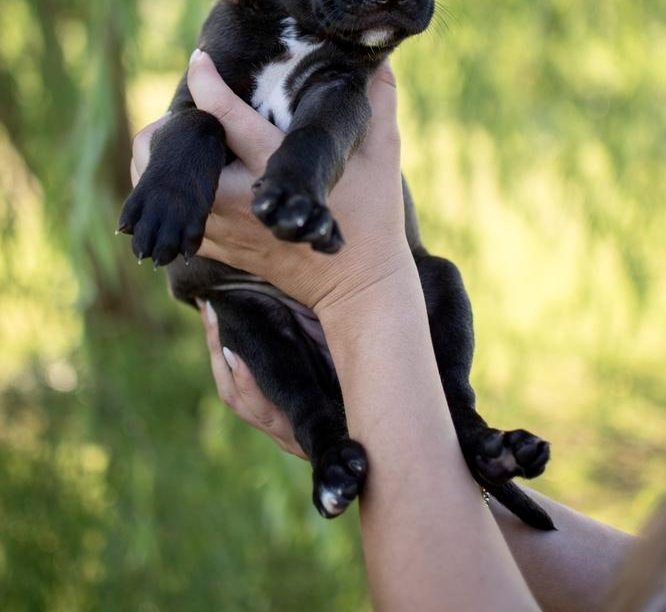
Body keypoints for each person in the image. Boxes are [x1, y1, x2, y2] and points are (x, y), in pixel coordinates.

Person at [131, 51, 638, 611]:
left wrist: (358, 284)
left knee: (438, 280)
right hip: (263, 317)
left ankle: (458, 425)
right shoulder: (252, 33)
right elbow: (642, 592)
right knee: (248, 322)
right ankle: (376, 441)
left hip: (379, 299)